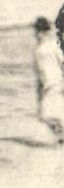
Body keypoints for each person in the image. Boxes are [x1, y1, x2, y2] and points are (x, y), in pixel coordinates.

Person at [32, 17, 64, 146]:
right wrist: (38, 92)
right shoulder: (37, 50)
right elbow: (38, 73)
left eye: (39, 31)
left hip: (56, 83)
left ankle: (62, 136)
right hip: (46, 85)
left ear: (45, 32)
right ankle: (62, 137)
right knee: (44, 115)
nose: (37, 35)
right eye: (36, 32)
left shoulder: (53, 46)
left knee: (46, 115)